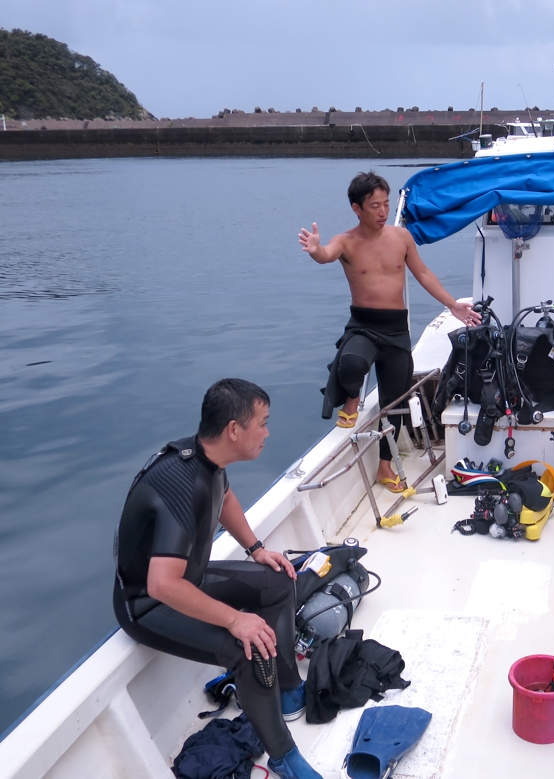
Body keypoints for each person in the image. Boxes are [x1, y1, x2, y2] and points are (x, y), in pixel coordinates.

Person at [113, 379, 321, 779]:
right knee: (250, 650)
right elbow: (161, 585)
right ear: (233, 429)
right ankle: (282, 756)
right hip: (148, 605)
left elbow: (224, 497)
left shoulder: (207, 460)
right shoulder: (182, 482)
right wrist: (233, 618)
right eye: (262, 423)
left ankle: (288, 690)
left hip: (187, 581)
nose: (268, 432)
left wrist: (256, 548)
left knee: (278, 580)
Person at [298, 172, 481, 492]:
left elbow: (423, 273)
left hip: (396, 330)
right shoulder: (346, 241)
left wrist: (452, 305)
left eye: (386, 204)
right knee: (352, 365)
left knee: (393, 401)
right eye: (374, 206)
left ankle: (385, 466)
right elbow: (325, 255)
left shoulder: (401, 238)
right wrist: (315, 249)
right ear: (357, 208)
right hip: (363, 326)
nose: (383, 212)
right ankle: (352, 397)